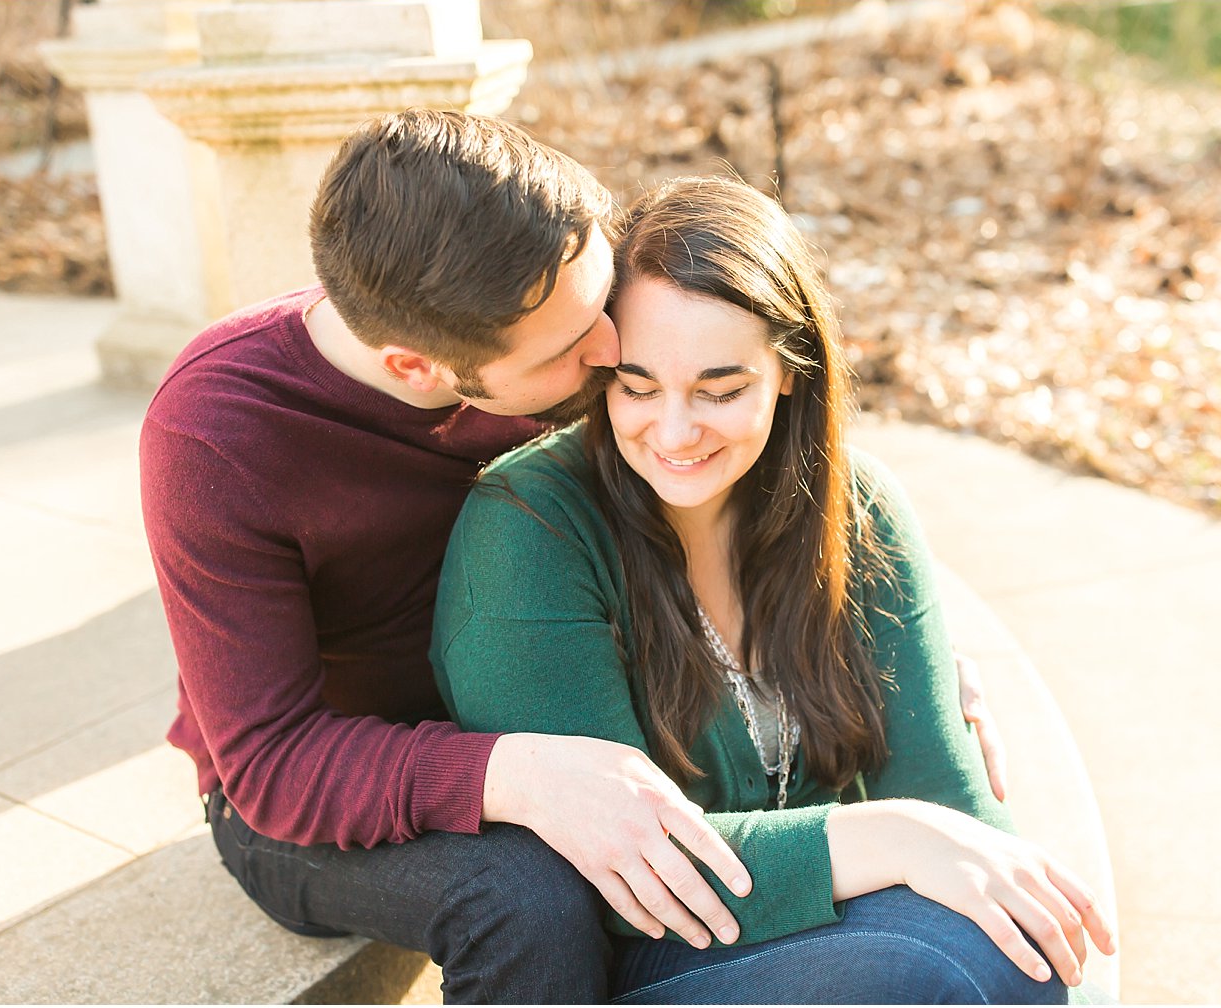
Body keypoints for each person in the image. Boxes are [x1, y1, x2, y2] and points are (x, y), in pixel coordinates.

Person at [140, 109, 1008, 1003]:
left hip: (528, 685)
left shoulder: (537, 303)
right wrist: (508, 771)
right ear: (418, 371)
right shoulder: (219, 436)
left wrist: (876, 640)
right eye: (579, 351)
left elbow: (701, 338)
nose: (613, 348)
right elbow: (274, 763)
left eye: (600, 303)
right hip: (322, 792)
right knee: (524, 894)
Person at [430, 176, 1117, 1003]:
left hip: (832, 931)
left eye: (721, 391)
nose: (676, 431)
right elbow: (630, 877)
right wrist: (892, 837)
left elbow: (956, 810)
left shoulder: (856, 509)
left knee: (1010, 945)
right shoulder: (528, 528)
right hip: (650, 949)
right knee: (944, 965)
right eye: (637, 387)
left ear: (790, 372)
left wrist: (993, 880)